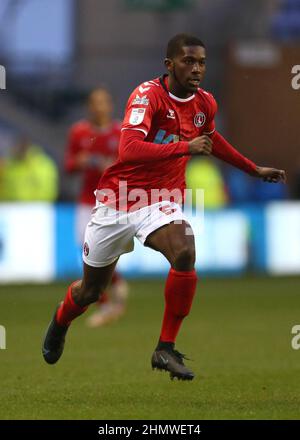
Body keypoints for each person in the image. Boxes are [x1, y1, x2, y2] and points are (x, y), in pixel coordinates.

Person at [42, 33, 286, 381]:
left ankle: (165, 348)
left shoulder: (205, 104)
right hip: (119, 199)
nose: (196, 68)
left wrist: (253, 168)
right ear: (169, 65)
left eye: (201, 61)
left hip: (161, 199)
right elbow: (129, 150)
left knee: (185, 251)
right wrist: (184, 147)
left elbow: (211, 139)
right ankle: (61, 320)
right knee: (91, 291)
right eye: (188, 61)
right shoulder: (147, 96)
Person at [64, 88, 129, 327]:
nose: (99, 107)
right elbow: (68, 165)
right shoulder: (78, 132)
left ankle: (110, 298)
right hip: (86, 201)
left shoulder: (121, 131)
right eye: (94, 102)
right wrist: (80, 161)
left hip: (113, 201)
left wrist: (113, 167)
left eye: (103, 102)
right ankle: (109, 300)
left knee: (105, 253)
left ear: (110, 105)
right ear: (89, 106)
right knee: (87, 251)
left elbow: (131, 163)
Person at [0, 135, 58, 202]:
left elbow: (48, 189)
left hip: (37, 207)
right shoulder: (8, 164)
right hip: (10, 208)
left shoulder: (42, 165)